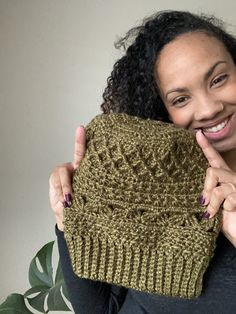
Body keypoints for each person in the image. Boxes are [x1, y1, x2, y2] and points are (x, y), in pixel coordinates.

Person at [49, 10, 236, 314]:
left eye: (218, 79)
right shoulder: (146, 188)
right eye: (180, 99)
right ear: (161, 109)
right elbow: (103, 310)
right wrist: (66, 218)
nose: (208, 108)